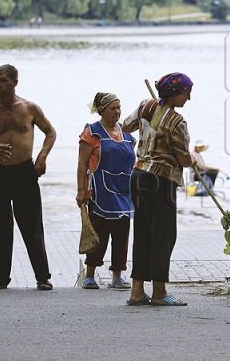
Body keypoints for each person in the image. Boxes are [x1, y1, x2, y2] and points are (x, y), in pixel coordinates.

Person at [0, 64, 56, 290]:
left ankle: (42, 277)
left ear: (15, 82)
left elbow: (50, 132)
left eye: (3, 81)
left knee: (32, 226)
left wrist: (42, 157)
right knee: (0, 226)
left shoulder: (29, 108)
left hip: (24, 171)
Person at [122, 73, 196, 306]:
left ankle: (136, 292)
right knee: (163, 236)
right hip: (160, 180)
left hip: (138, 176)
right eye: (186, 93)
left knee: (143, 233)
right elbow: (184, 160)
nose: (189, 98)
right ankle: (159, 293)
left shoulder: (146, 105)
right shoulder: (177, 121)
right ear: (174, 93)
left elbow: (125, 126)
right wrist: (192, 158)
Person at [76, 92, 136, 290]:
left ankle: (117, 275)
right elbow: (82, 164)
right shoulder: (92, 133)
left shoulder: (128, 135)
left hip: (124, 191)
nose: (117, 112)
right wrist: (81, 191)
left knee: (122, 234)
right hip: (101, 192)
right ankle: (90, 274)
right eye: (113, 108)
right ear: (101, 110)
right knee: (98, 233)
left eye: (119, 108)